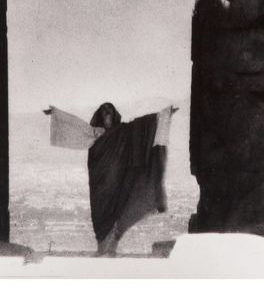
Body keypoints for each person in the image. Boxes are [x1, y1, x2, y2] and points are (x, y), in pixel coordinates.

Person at [43, 101, 178, 256]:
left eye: (110, 111)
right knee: (100, 217)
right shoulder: (94, 132)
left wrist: (164, 115)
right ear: (100, 115)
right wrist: (55, 114)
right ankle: (103, 250)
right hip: (99, 185)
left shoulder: (123, 131)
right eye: (104, 111)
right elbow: (75, 126)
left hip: (117, 183)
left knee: (115, 214)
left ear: (114, 115)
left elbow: (143, 125)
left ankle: (109, 250)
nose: (107, 114)